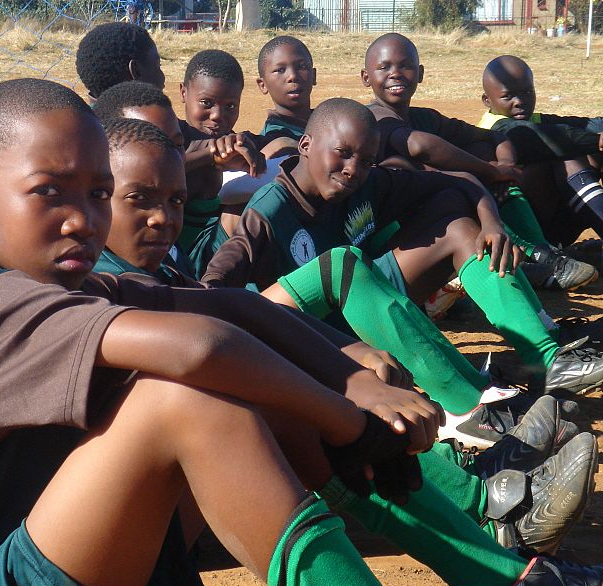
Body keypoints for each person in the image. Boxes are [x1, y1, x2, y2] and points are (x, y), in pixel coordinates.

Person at [93, 116, 598, 582]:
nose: (163, 217)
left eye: (175, 200)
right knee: (295, 399)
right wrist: (339, 380)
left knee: (330, 322)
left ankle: (484, 475)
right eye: (139, 198)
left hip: (211, 418)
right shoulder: (92, 287)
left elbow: (216, 308)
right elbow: (220, 299)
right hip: (134, 517)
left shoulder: (152, 270)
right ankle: (480, 480)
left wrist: (341, 359)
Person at [204, 98, 603, 406]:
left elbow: (460, 181)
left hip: (367, 300)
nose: (352, 168)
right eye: (342, 153)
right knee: (348, 266)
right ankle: (469, 404)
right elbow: (219, 275)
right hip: (319, 335)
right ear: (306, 145)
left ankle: (545, 359)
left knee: (459, 227)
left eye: (365, 160)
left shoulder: (365, 183)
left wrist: (494, 225)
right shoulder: (270, 211)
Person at [362, 33, 596, 293]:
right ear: (365, 77)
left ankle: (538, 252)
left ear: (420, 73)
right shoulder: (373, 118)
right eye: (384, 67)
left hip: (447, 210)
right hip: (407, 232)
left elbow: (493, 136)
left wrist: (502, 166)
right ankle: (530, 256)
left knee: (482, 151)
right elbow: (420, 146)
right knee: (458, 180)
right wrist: (490, 171)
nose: (395, 74)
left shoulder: (424, 117)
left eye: (405, 65)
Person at [479, 54, 603, 250]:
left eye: (528, 92)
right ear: (487, 100)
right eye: (508, 96)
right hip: (517, 233)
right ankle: (544, 254)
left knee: (594, 154)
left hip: (550, 223)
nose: (520, 101)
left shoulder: (534, 119)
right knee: (566, 155)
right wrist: (597, 140)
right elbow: (546, 138)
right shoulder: (494, 129)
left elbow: (588, 124)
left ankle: (561, 248)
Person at [176, 49, 265, 277]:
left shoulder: (239, 144)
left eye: (230, 106)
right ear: (183, 93)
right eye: (206, 102)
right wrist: (209, 156)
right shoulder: (173, 138)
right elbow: (155, 172)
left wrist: (254, 163)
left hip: (216, 255)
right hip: (169, 251)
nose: (217, 115)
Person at [255, 35, 315, 157]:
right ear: (263, 85)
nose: (293, 76)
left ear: (314, 76)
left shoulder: (326, 121)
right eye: (280, 70)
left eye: (301, 67)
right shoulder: (275, 144)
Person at [75, 21, 165, 102]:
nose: (163, 76)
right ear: (137, 72)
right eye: (158, 66)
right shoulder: (163, 119)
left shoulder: (82, 118)